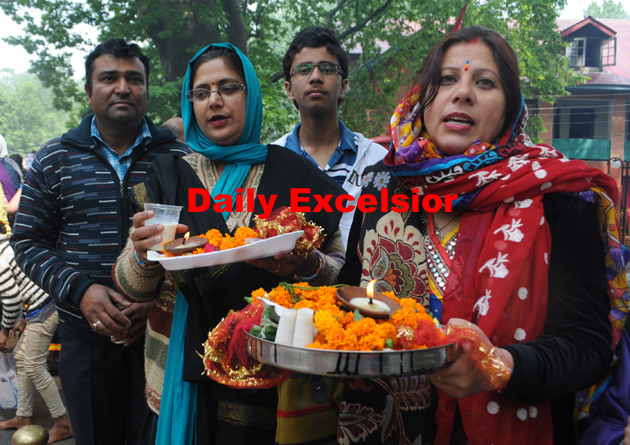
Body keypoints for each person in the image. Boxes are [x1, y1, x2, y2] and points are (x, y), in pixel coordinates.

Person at [337, 25, 626, 444]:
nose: (463, 93)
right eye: (447, 79)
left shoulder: (557, 198)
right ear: (422, 99)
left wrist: (502, 365)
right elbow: (347, 291)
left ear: (510, 109)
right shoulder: (381, 184)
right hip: (382, 423)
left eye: (485, 82)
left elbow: (588, 345)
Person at [112, 43, 345, 444]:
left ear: (250, 94)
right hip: (175, 368)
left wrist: (307, 265)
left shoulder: (294, 173)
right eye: (201, 92)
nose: (214, 101)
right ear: (191, 104)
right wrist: (141, 253)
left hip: (272, 363)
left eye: (228, 88)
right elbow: (133, 287)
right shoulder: (168, 175)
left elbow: (341, 271)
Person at [10, 38, 191, 445]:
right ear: (89, 91)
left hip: (160, 339)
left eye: (134, 79)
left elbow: (198, 242)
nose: (123, 88)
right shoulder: (55, 158)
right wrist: (82, 291)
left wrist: (158, 300)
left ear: (146, 89)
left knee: (158, 438)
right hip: (83, 339)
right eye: (109, 78)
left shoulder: (178, 157)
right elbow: (28, 241)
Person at [273, 26, 386, 247]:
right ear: (289, 89)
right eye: (304, 69)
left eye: (327, 69)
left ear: (344, 86)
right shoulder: (273, 162)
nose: (315, 77)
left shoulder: (377, 160)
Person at [0, 235, 73, 443]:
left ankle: (63, 423)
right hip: (43, 302)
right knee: (22, 357)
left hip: (44, 307)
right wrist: (21, 320)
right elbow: (23, 285)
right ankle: (23, 417)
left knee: (33, 365)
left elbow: (11, 298)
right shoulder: (6, 244)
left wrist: (4, 331)